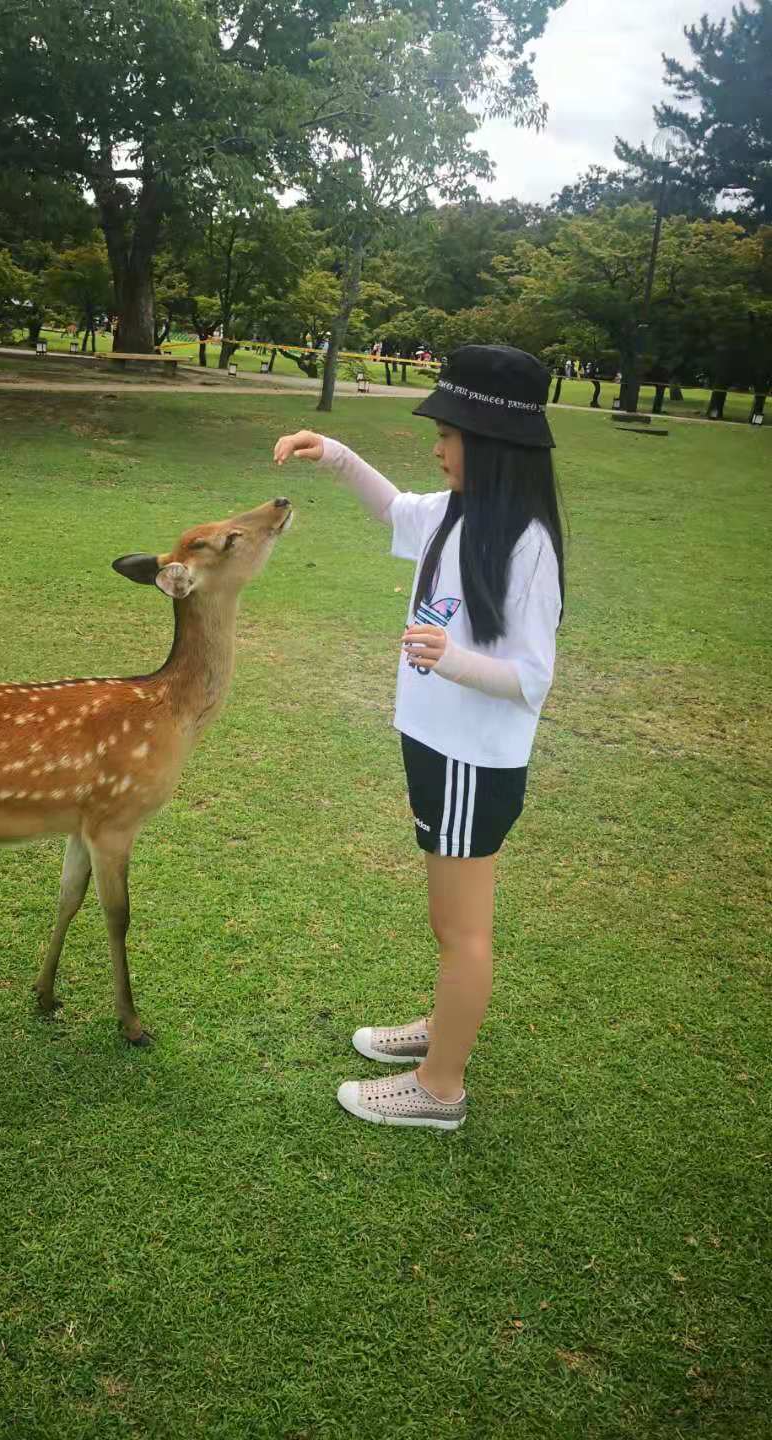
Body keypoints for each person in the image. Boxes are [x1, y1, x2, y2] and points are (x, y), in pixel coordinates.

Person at [273, 344, 563, 1130]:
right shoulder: (453, 511)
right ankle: (445, 1027)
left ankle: (440, 1089)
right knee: (448, 924)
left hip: (474, 758)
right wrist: (333, 455)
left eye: (450, 433)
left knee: (462, 930)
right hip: (434, 742)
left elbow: (532, 676)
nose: (437, 446)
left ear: (494, 444)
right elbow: (393, 506)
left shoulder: (526, 542)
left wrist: (457, 661)